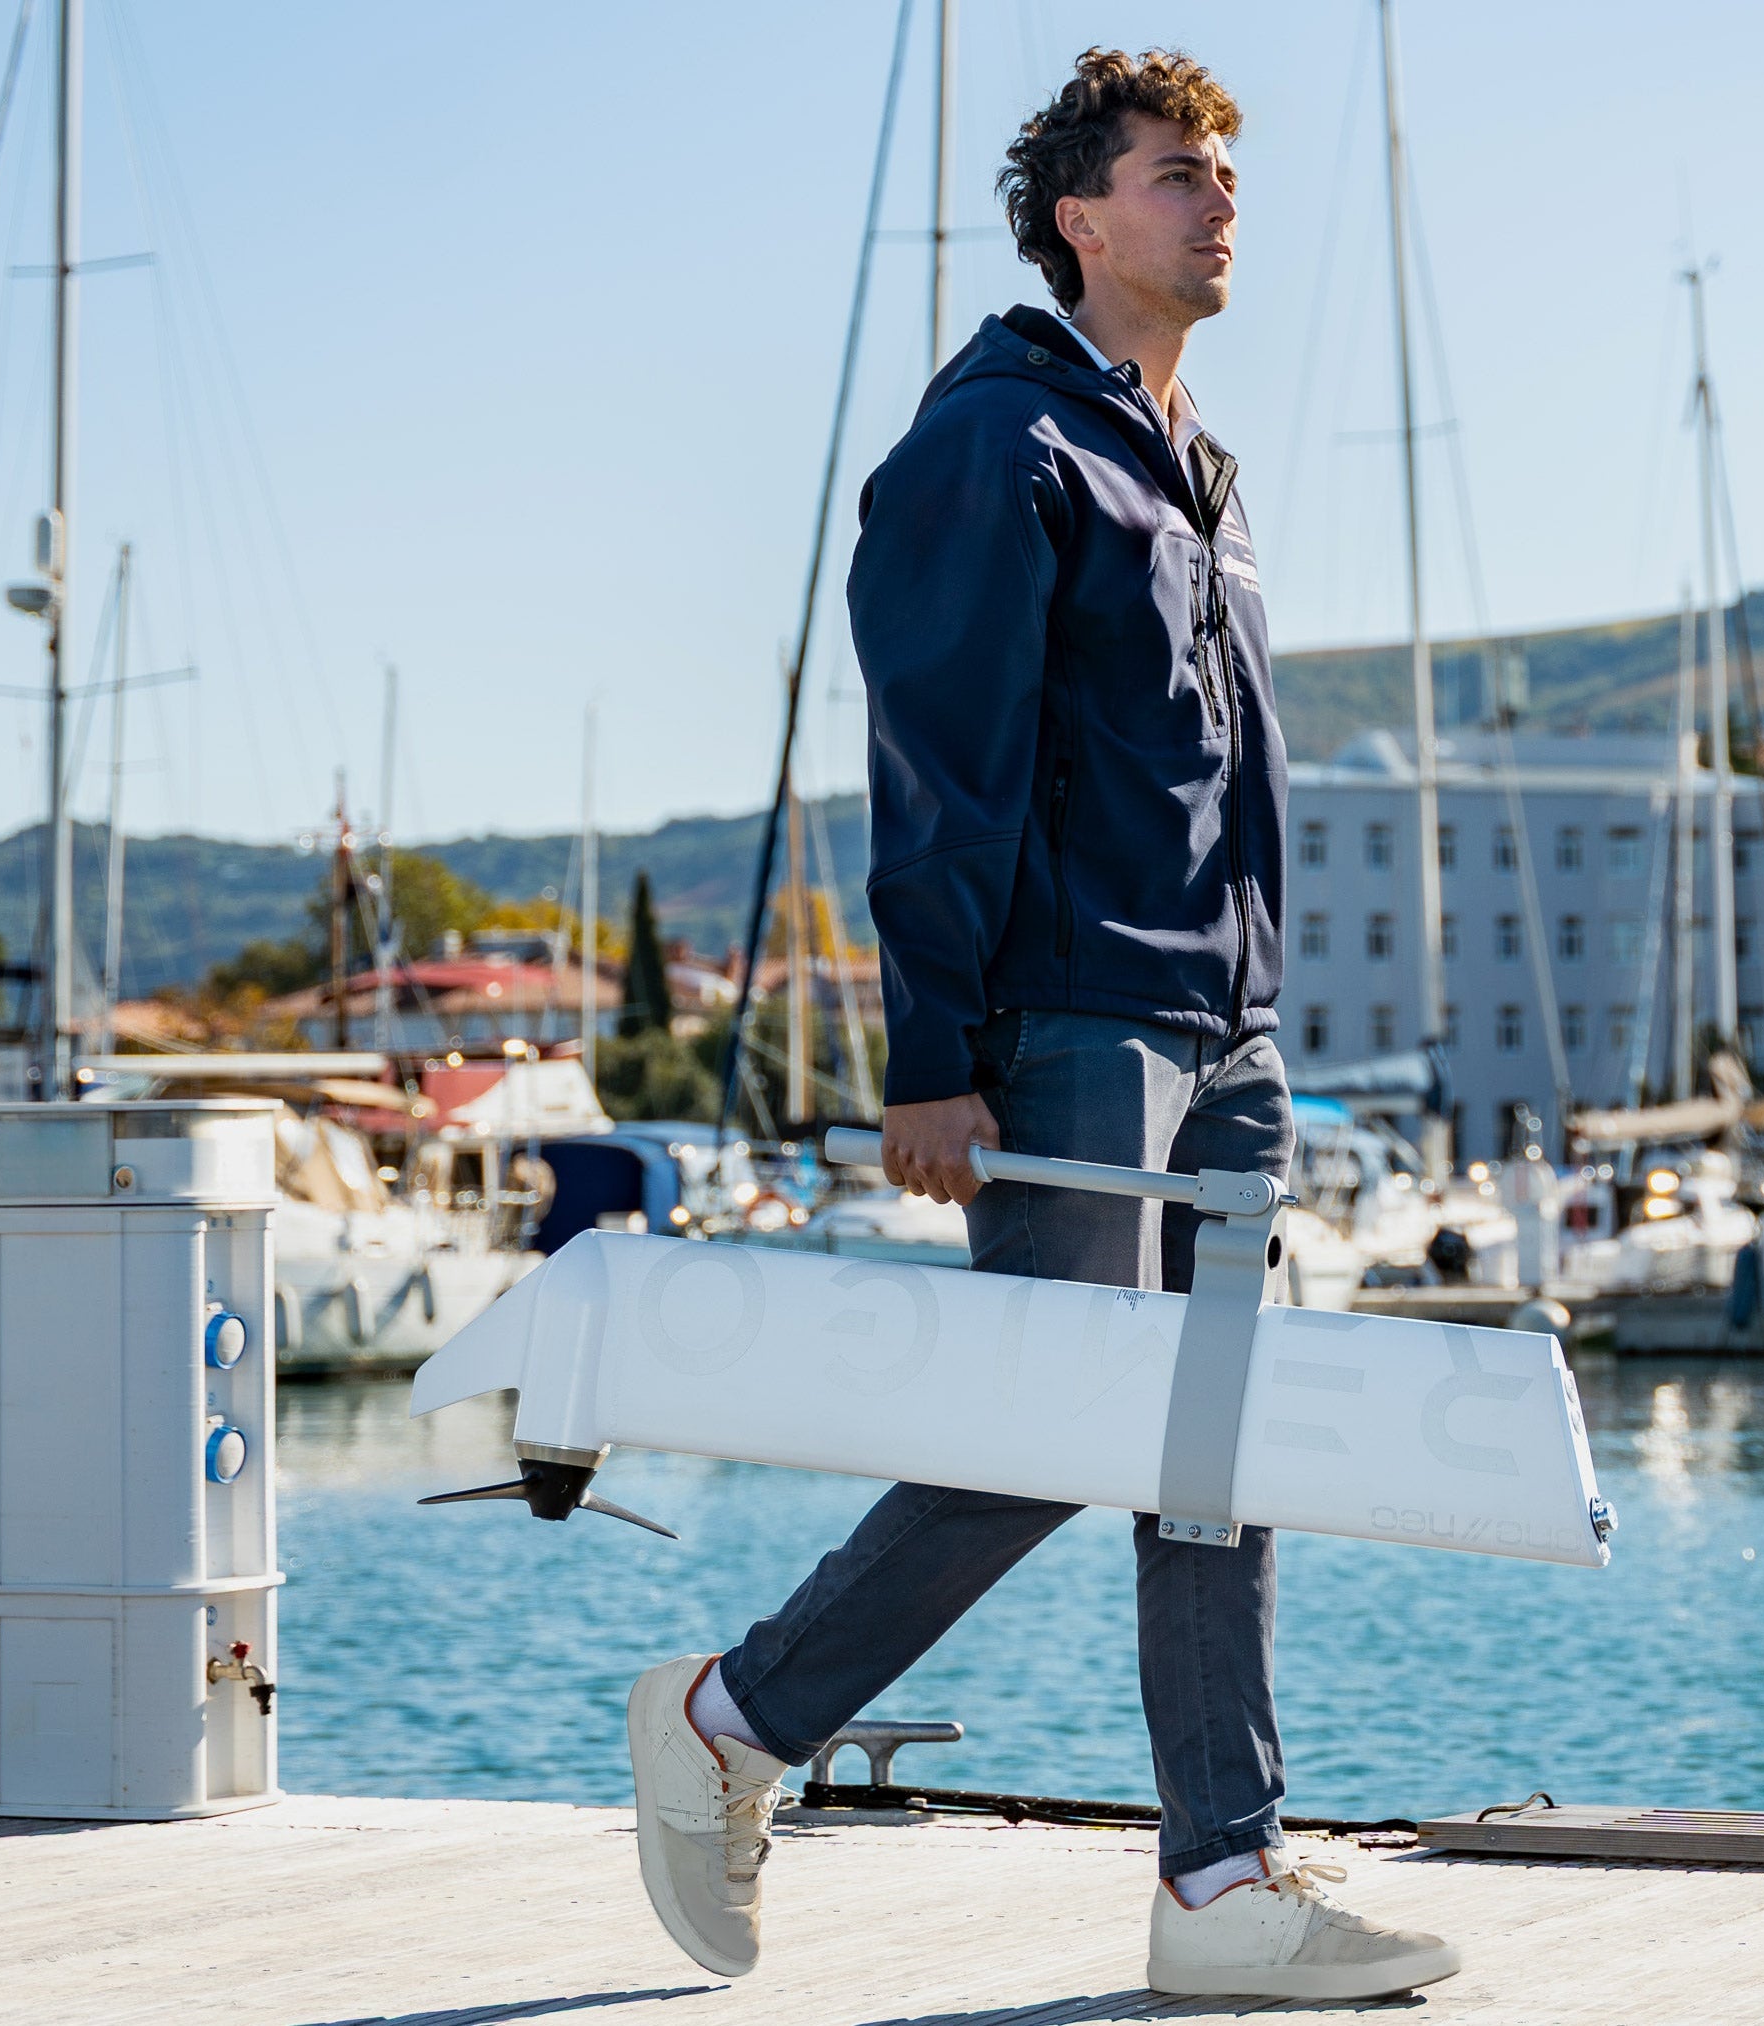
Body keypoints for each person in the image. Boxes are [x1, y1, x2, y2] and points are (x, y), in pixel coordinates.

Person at [621, 47, 1460, 2005]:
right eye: (1182, 174)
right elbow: (941, 768)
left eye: (1231, 174)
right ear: (1082, 215)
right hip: (1068, 1013)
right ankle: (737, 1712)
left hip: (1225, 1028)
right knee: (1045, 1423)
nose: (1221, 201)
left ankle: (1224, 1878)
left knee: (1210, 1448)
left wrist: (1257, 1011)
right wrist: (930, 1052)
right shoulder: (998, 448)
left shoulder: (1199, 473)